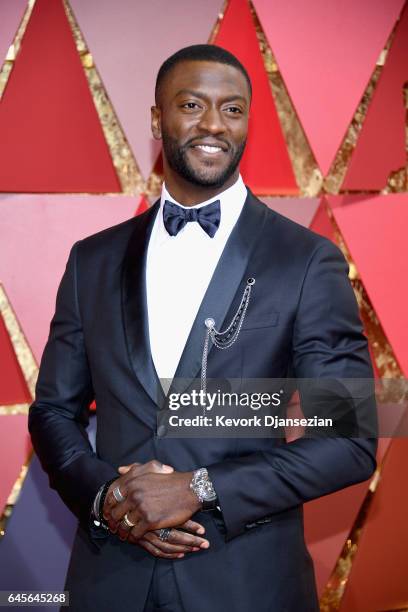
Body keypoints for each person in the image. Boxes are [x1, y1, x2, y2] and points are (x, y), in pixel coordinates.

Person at [28, 44, 377, 612]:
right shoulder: (92, 259)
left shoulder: (306, 260)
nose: (214, 123)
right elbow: (53, 413)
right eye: (192, 104)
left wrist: (197, 488)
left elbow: (347, 443)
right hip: (109, 583)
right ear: (156, 118)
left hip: (247, 584)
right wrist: (109, 497)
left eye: (233, 109)